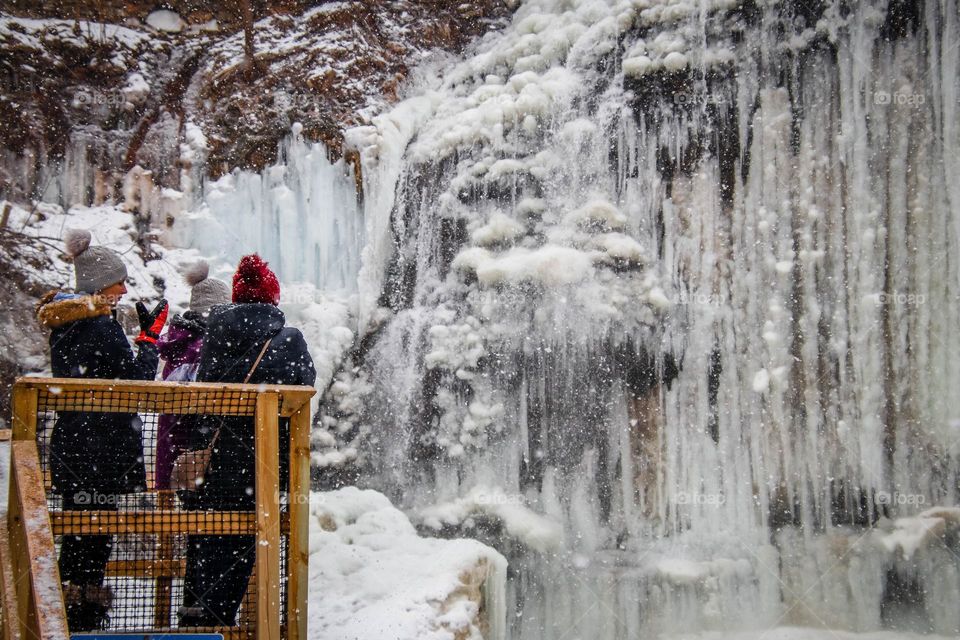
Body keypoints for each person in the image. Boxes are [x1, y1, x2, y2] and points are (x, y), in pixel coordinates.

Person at [36, 228, 167, 631]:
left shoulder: (65, 326)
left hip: (73, 446)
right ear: (99, 283)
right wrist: (149, 341)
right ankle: (85, 619)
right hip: (102, 450)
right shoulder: (101, 327)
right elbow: (136, 383)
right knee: (95, 538)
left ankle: (65, 614)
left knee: (77, 534)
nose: (124, 290)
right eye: (119, 282)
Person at [179, 254, 315, 628]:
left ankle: (196, 623)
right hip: (262, 465)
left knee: (206, 542)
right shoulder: (288, 339)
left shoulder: (215, 334)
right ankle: (218, 625)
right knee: (243, 549)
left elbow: (205, 391)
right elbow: (304, 386)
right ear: (273, 298)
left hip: (213, 462)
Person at [155, 260, 230, 490]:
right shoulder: (203, 347)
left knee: (174, 499)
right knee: (193, 502)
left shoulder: (180, 341)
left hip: (171, 438)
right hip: (193, 443)